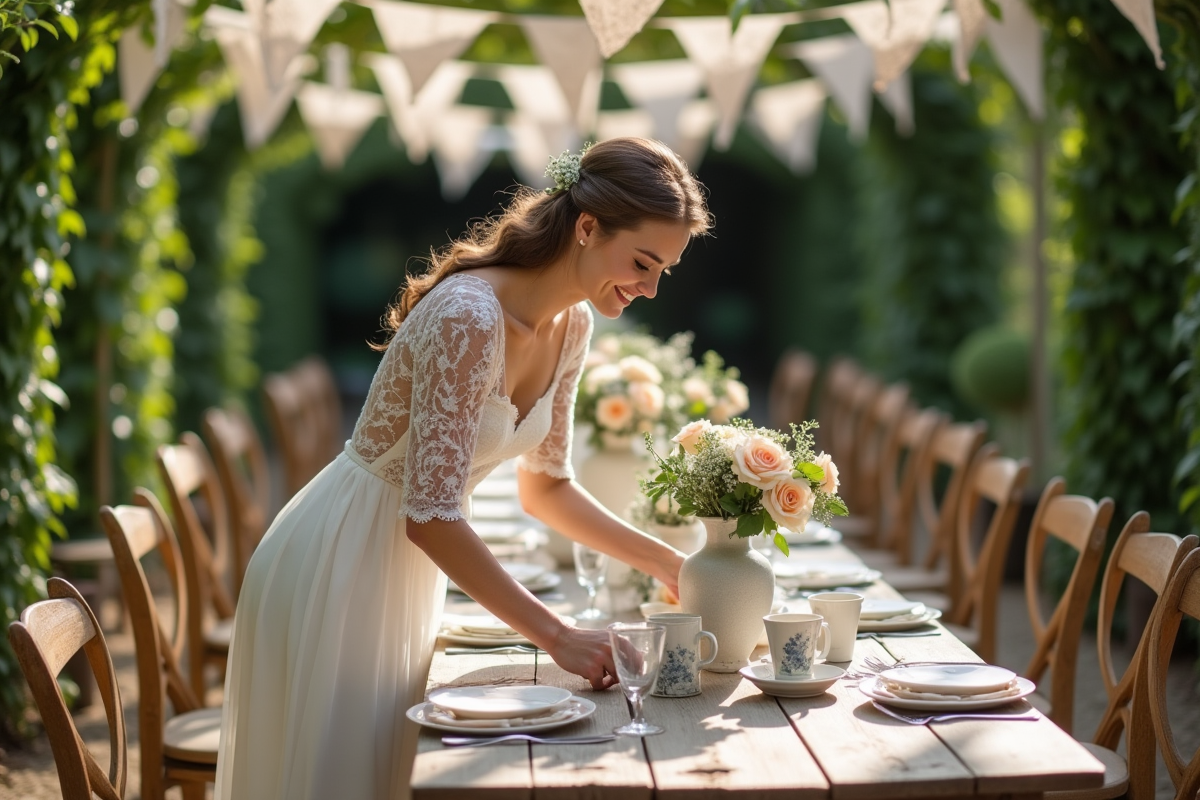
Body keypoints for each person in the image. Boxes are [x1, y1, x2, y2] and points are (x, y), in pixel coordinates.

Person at [213, 137, 712, 800]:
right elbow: (430, 515)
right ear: (588, 227)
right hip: (343, 556)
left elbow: (546, 486)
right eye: (643, 262)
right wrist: (557, 636)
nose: (649, 287)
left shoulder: (575, 325)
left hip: (410, 569)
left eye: (664, 272)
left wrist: (668, 563)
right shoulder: (468, 317)